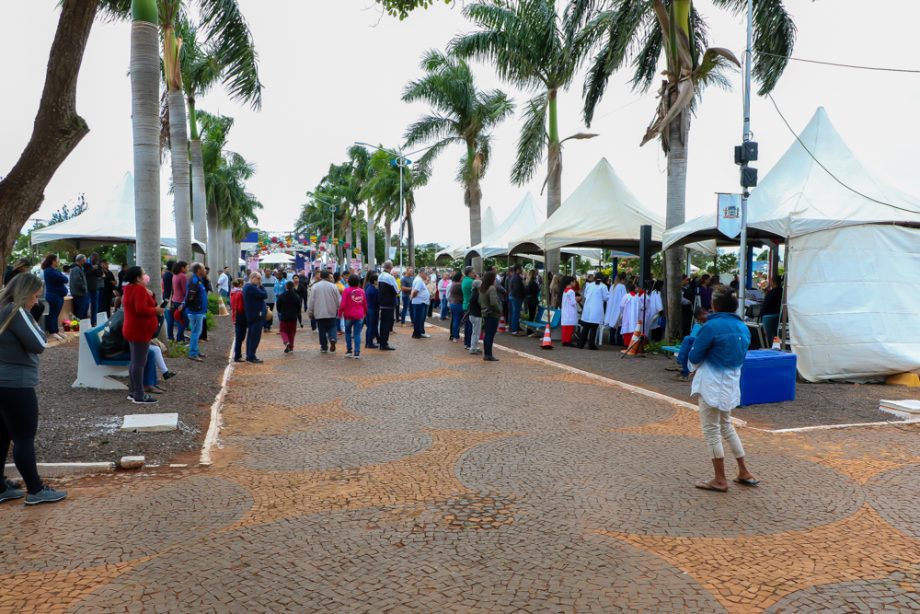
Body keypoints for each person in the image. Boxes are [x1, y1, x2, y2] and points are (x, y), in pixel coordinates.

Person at [0, 274, 68, 506]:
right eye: (35, 296)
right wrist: (35, 321)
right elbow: (39, 344)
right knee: (23, 437)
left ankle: (0, 487)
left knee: (3, 435)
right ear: (25, 293)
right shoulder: (16, 311)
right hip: (17, 383)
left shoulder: (1, 308)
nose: (36, 302)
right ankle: (36, 489)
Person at [689, 286, 757, 493]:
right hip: (731, 381)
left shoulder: (711, 326)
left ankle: (720, 479)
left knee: (711, 430)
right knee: (726, 425)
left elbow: (694, 357)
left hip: (711, 382)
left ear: (715, 305)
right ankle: (744, 471)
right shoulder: (743, 327)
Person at [122, 266, 164, 404]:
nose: (146, 276)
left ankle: (133, 392)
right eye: (144, 274)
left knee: (135, 362)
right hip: (139, 331)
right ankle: (139, 395)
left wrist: (150, 295)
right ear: (138, 278)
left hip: (132, 329)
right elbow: (140, 309)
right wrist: (156, 310)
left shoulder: (129, 288)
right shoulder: (139, 289)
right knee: (139, 363)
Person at [307, 270, 341, 354]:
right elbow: (338, 300)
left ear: (321, 276)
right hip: (332, 311)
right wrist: (339, 308)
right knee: (332, 326)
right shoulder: (333, 286)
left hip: (319, 312)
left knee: (321, 329)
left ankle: (324, 346)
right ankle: (332, 338)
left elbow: (311, 301)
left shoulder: (315, 286)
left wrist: (310, 312)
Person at [339, 273, 367, 358]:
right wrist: (365, 312)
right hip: (359, 315)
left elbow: (343, 304)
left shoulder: (346, 291)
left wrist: (340, 313)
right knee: (357, 334)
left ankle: (349, 350)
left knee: (348, 333)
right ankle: (357, 352)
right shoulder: (362, 291)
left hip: (348, 315)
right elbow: (365, 303)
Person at [40, 255, 68, 340]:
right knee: (52, 314)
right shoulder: (49, 271)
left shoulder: (55, 270)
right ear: (53, 261)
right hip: (53, 296)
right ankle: (51, 332)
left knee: (56, 314)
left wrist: (63, 277)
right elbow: (64, 279)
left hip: (58, 296)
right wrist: (63, 277)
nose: (58, 261)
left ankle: (56, 330)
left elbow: (64, 278)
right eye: (57, 260)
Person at [184, 263, 208, 362]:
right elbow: (190, 296)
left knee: (196, 332)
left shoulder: (198, 280)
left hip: (198, 311)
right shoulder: (194, 280)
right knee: (196, 332)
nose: (205, 270)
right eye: (203, 269)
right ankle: (193, 353)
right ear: (198, 270)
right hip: (195, 311)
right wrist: (196, 307)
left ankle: (195, 351)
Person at [242, 273, 267, 363]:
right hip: (256, 315)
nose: (260, 281)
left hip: (253, 314)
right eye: (258, 278)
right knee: (254, 337)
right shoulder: (251, 287)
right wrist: (261, 286)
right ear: (252, 278)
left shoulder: (247, 287)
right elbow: (264, 295)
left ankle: (250, 355)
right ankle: (251, 356)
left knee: (251, 336)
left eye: (260, 279)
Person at [578, 275, 608, 350]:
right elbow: (606, 297)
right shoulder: (603, 286)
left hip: (588, 308)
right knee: (594, 328)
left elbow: (585, 295)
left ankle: (580, 344)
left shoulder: (589, 285)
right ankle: (591, 344)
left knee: (586, 327)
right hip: (596, 308)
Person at [478, 270, 502, 362]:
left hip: (485, 313)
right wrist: (499, 310)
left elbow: (480, 301)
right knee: (490, 335)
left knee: (487, 334)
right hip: (492, 314)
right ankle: (489, 354)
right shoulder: (491, 288)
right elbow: (493, 302)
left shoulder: (482, 288)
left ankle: (487, 354)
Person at [376, 261, 399, 351]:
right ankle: (384, 344)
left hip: (382, 303)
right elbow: (396, 290)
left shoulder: (380, 276)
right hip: (389, 303)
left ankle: (382, 342)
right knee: (386, 324)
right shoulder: (390, 277)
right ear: (391, 267)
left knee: (382, 323)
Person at [275, 281, 301, 354]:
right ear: (293, 287)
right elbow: (299, 307)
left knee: (283, 331)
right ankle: (291, 347)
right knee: (292, 332)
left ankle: (286, 342)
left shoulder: (281, 296)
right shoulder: (296, 296)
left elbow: (278, 306)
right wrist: (297, 314)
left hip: (284, 316)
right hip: (293, 317)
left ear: (286, 287)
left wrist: (281, 311)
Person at [604, 272, 627, 345]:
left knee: (613, 324)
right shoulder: (622, 287)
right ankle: (619, 341)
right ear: (623, 279)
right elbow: (625, 297)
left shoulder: (612, 286)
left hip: (611, 308)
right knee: (620, 324)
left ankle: (611, 340)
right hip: (619, 307)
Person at [760, 275, 783, 342]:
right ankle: (776, 347)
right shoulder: (782, 291)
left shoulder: (771, 292)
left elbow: (765, 304)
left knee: (768, 336)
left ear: (773, 282)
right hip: (778, 315)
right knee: (776, 334)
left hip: (768, 316)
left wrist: (761, 315)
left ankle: (769, 347)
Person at [171, 261, 189, 343]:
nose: (188, 269)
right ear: (182, 268)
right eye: (187, 267)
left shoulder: (175, 275)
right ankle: (179, 338)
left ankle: (181, 337)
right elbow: (186, 291)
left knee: (179, 320)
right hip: (181, 301)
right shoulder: (183, 276)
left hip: (175, 300)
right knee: (185, 321)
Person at [410, 269, 431, 339]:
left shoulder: (419, 280)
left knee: (421, 318)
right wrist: (412, 297)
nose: (426, 276)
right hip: (419, 302)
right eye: (426, 274)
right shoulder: (419, 280)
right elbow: (415, 291)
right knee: (418, 318)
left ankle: (421, 332)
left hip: (421, 302)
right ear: (421, 273)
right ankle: (417, 334)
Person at [230, 278, 247, 361]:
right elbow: (240, 307)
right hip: (241, 316)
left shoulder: (233, 292)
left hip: (236, 315)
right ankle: (237, 355)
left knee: (239, 336)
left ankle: (238, 353)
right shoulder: (240, 293)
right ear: (240, 284)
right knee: (240, 336)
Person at [69, 254, 89, 321]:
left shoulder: (77, 268)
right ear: (81, 260)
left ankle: (80, 326)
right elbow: (77, 281)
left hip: (80, 293)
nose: (85, 262)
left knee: (81, 312)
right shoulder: (76, 269)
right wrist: (84, 288)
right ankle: (79, 328)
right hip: (79, 294)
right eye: (84, 260)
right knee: (80, 312)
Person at [560, 276, 579, 346]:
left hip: (565, 311)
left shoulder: (565, 290)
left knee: (565, 327)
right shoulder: (571, 291)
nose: (575, 283)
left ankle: (565, 340)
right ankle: (568, 341)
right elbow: (573, 302)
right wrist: (577, 299)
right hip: (570, 311)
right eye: (574, 281)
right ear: (571, 282)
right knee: (569, 327)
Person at [364, 272, 380, 350]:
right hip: (373, 309)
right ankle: (370, 343)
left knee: (369, 326)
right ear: (375, 281)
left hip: (368, 308)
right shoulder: (374, 290)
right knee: (372, 326)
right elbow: (377, 300)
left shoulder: (368, 288)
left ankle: (368, 342)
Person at [461, 266, 475, 349]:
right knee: (470, 326)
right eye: (473, 272)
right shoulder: (470, 281)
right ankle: (469, 343)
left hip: (466, 303)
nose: (474, 274)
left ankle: (467, 343)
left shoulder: (465, 280)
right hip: (470, 305)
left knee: (467, 325)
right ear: (469, 273)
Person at [447, 271, 464, 342]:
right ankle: (455, 336)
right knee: (457, 320)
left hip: (453, 303)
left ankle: (454, 335)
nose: (463, 278)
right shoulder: (459, 285)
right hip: (458, 304)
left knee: (455, 319)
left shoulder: (453, 284)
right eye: (462, 276)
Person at [467, 278, 483, 355]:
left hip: (472, 314)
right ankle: (473, 348)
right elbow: (481, 304)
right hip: (476, 315)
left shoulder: (473, 293)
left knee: (475, 332)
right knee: (476, 332)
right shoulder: (477, 295)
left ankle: (474, 346)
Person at [162, 260, 175, 340]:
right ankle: (170, 336)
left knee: (169, 318)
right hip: (169, 298)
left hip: (166, 297)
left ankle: (170, 336)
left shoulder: (166, 274)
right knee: (170, 319)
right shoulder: (170, 275)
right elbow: (171, 288)